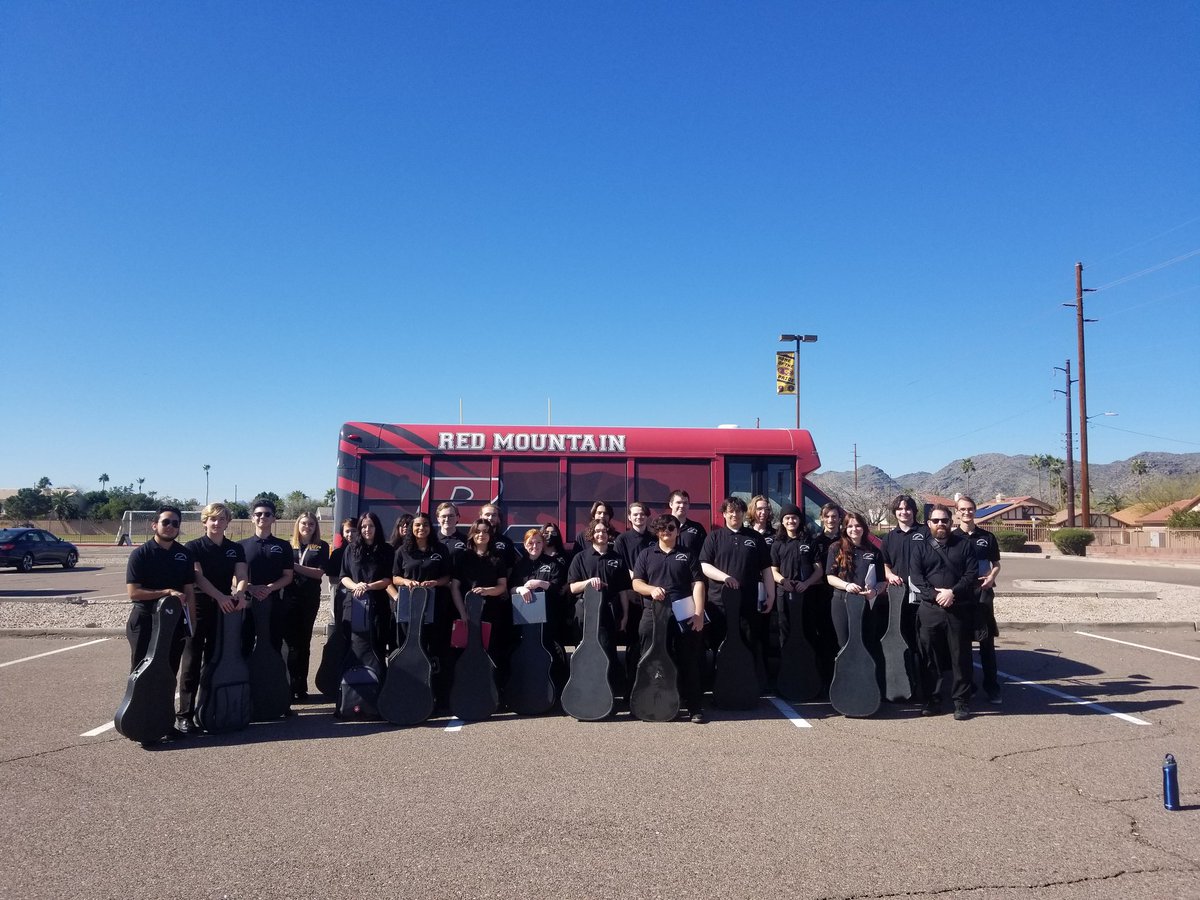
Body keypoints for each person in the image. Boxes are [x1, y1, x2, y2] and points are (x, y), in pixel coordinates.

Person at [125, 505, 196, 740]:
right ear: (154, 525)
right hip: (145, 622)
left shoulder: (183, 554)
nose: (171, 527)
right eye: (166, 522)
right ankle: (141, 724)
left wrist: (191, 622)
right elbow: (134, 593)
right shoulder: (141, 554)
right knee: (142, 674)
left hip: (173, 624)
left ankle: (165, 723)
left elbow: (188, 591)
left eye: (176, 523)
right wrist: (166, 592)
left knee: (168, 674)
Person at [180, 502, 248, 734]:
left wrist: (239, 592)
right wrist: (220, 596)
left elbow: (241, 575)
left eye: (221, 519)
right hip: (198, 607)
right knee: (191, 662)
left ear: (228, 522)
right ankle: (185, 715)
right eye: (213, 519)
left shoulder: (235, 548)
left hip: (224, 608)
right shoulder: (193, 547)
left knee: (215, 659)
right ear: (205, 521)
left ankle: (208, 708)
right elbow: (198, 577)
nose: (217, 523)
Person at [632, 514, 706, 723]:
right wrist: (651, 589)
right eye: (662, 528)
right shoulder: (646, 554)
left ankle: (694, 708)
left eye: (671, 528)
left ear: (677, 531)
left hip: (684, 616)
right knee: (647, 660)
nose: (667, 532)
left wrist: (699, 613)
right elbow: (637, 583)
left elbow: (698, 584)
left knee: (689, 662)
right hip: (653, 616)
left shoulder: (688, 554)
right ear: (657, 531)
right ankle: (644, 703)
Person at [910, 504, 979, 720]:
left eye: (945, 520)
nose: (941, 524)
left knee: (961, 657)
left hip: (957, 609)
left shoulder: (964, 545)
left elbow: (971, 575)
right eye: (936, 521)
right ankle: (932, 699)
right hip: (929, 610)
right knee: (930, 658)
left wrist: (951, 592)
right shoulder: (920, 547)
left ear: (951, 522)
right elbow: (916, 577)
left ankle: (961, 702)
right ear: (929, 524)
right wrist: (934, 595)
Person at [699, 496, 774, 694]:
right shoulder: (713, 537)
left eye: (738, 511)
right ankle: (721, 689)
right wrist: (725, 578)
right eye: (730, 511)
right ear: (724, 514)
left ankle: (747, 688)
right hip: (719, 605)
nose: (734, 514)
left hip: (748, 604)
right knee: (720, 647)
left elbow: (767, 569)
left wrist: (771, 596)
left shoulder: (755, 538)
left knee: (749, 644)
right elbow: (704, 565)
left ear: (743, 514)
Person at [393, 512, 462, 706]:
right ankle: (412, 694)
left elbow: (448, 577)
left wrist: (436, 582)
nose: (421, 528)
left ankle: (438, 697)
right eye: (417, 525)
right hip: (410, 608)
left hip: (437, 606)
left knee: (436, 651)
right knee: (413, 649)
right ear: (411, 529)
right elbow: (395, 578)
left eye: (424, 525)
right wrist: (407, 581)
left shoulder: (440, 549)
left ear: (430, 528)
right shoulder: (402, 551)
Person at [567, 517, 631, 695]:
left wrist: (625, 616)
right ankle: (582, 692)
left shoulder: (617, 559)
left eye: (603, 531)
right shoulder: (580, 557)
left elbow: (623, 591)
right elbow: (572, 587)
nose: (600, 534)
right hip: (585, 612)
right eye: (597, 531)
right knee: (583, 653)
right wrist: (588, 582)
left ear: (608, 534)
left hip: (609, 613)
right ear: (591, 535)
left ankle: (607, 693)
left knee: (607, 651)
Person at [954, 495, 1002, 704]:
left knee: (986, 643)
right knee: (963, 645)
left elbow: (996, 563)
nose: (967, 512)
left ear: (975, 511)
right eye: (962, 509)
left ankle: (992, 687)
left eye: (970, 509)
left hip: (983, 595)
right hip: (961, 596)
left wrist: (991, 578)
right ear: (957, 513)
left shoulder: (987, 537)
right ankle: (969, 687)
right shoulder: (951, 537)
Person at [881, 494, 929, 700]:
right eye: (899, 509)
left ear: (914, 511)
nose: (904, 512)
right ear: (895, 513)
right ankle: (907, 685)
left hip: (924, 597)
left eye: (907, 508)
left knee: (924, 643)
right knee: (905, 641)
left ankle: (927, 689)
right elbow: (885, 563)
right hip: (900, 599)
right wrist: (890, 574)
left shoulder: (926, 533)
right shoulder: (890, 537)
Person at [509, 528, 570, 689]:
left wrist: (541, 583)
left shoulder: (553, 564)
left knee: (552, 649)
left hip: (549, 616)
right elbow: (510, 588)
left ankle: (556, 687)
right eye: (530, 542)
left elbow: (560, 588)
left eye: (538, 542)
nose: (534, 545)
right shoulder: (520, 565)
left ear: (543, 544)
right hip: (525, 618)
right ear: (525, 544)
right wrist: (520, 589)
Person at [824, 511, 888, 660]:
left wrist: (875, 591)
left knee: (867, 643)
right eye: (850, 526)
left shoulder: (874, 551)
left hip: (866, 604)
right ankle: (846, 682)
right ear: (845, 528)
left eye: (858, 525)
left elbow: (882, 581)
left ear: (864, 528)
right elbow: (830, 577)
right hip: (842, 601)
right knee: (844, 644)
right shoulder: (836, 548)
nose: (854, 529)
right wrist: (846, 585)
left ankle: (865, 682)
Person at [454, 518, 511, 675]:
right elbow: (454, 587)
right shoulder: (462, 557)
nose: (481, 535)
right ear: (472, 533)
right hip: (466, 615)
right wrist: (462, 613)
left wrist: (486, 590)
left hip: (490, 614)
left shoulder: (497, 558)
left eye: (486, 532)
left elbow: (502, 587)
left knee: (490, 653)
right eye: (478, 531)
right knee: (464, 654)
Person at [284, 512, 330, 701]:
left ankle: (301, 687)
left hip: (309, 599)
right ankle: (288, 685)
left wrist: (294, 567)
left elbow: (319, 573)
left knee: (304, 643)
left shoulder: (321, 546)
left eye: (311, 524)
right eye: (304, 523)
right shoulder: (288, 545)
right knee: (291, 644)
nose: (307, 526)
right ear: (298, 525)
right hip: (289, 597)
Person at [240, 497, 294, 655]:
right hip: (248, 603)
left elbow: (288, 576)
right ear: (252, 518)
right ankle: (246, 679)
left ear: (274, 519)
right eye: (258, 514)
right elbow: (235, 577)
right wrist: (251, 588)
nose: (262, 517)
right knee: (245, 645)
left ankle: (271, 679)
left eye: (267, 514)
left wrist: (270, 588)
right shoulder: (240, 546)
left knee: (273, 645)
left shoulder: (283, 546)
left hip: (273, 602)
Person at [340, 511, 395, 667]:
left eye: (371, 526)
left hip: (378, 606)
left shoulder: (387, 550)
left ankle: (378, 683)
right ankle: (350, 684)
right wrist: (357, 586)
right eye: (363, 526)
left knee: (377, 645)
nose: (367, 529)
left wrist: (368, 586)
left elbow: (387, 579)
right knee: (352, 644)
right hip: (354, 604)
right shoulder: (351, 549)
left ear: (376, 527)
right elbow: (344, 576)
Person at [770, 503, 824, 660]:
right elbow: (773, 571)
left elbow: (819, 570)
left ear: (799, 520)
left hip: (806, 593)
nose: (791, 521)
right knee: (785, 630)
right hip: (784, 594)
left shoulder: (810, 542)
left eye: (794, 517)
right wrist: (783, 581)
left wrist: (806, 583)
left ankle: (808, 668)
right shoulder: (777, 544)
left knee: (807, 629)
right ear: (782, 521)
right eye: (787, 518)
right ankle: (786, 669)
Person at [613, 500, 655, 684]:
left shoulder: (654, 538)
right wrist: (638, 578)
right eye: (635, 514)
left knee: (650, 640)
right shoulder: (622, 540)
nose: (639, 517)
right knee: (633, 640)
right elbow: (620, 566)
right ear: (629, 518)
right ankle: (631, 683)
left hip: (651, 595)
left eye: (642, 514)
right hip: (631, 596)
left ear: (647, 516)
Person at [807, 502, 843, 688]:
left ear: (839, 519)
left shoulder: (846, 540)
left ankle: (840, 678)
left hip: (841, 595)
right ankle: (823, 680)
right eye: (827, 516)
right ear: (822, 518)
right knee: (822, 638)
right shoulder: (815, 541)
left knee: (838, 638)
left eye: (834, 516)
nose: (831, 520)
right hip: (819, 596)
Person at [325, 518, 357, 625]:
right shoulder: (337, 554)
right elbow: (332, 578)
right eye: (347, 531)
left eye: (354, 531)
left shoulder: (366, 552)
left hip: (363, 594)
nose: (350, 534)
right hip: (343, 595)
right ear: (342, 533)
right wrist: (348, 584)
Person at [480, 503, 521, 571]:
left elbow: (510, 567)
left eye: (494, 515)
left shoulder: (507, 542)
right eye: (487, 515)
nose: (490, 518)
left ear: (498, 518)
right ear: (481, 516)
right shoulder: (472, 540)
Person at [668, 489, 707, 555]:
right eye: (678, 502)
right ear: (671, 504)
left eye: (685, 503)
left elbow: (705, 554)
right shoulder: (662, 527)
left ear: (689, 505)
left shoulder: (697, 528)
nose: (682, 506)